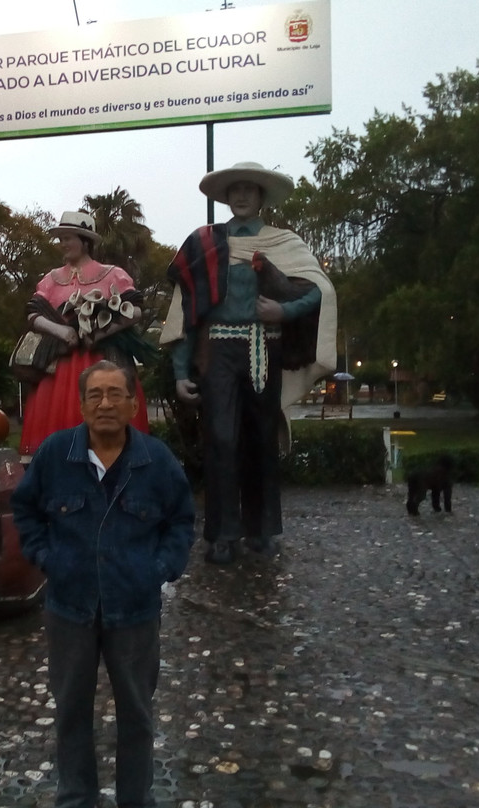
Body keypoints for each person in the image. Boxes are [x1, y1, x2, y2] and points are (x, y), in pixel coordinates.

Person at [11, 359, 195, 808]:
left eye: (116, 394)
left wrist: (161, 568)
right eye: (95, 395)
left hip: (134, 610)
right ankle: (76, 797)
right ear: (81, 405)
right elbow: (25, 509)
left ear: (134, 404)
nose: (106, 403)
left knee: (136, 714)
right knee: (71, 712)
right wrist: (44, 557)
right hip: (69, 608)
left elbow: (182, 521)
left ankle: (136, 799)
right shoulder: (55, 454)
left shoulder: (157, 461)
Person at [160, 162, 337, 564]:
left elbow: (320, 290)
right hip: (219, 350)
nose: (241, 196)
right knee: (221, 438)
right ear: (226, 196)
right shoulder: (203, 243)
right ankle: (221, 534)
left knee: (261, 439)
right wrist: (179, 371)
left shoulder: (284, 242)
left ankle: (261, 530)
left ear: (261, 197)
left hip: (266, 346)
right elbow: (186, 309)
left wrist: (284, 310)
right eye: (235, 189)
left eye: (249, 189)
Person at [18, 211, 154, 460]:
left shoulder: (112, 274)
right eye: (61, 239)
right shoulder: (51, 279)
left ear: (84, 241)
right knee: (59, 418)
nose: (63, 244)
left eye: (68, 238)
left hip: (104, 361)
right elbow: (32, 315)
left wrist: (100, 332)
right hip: (60, 365)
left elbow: (134, 311)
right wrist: (62, 331)